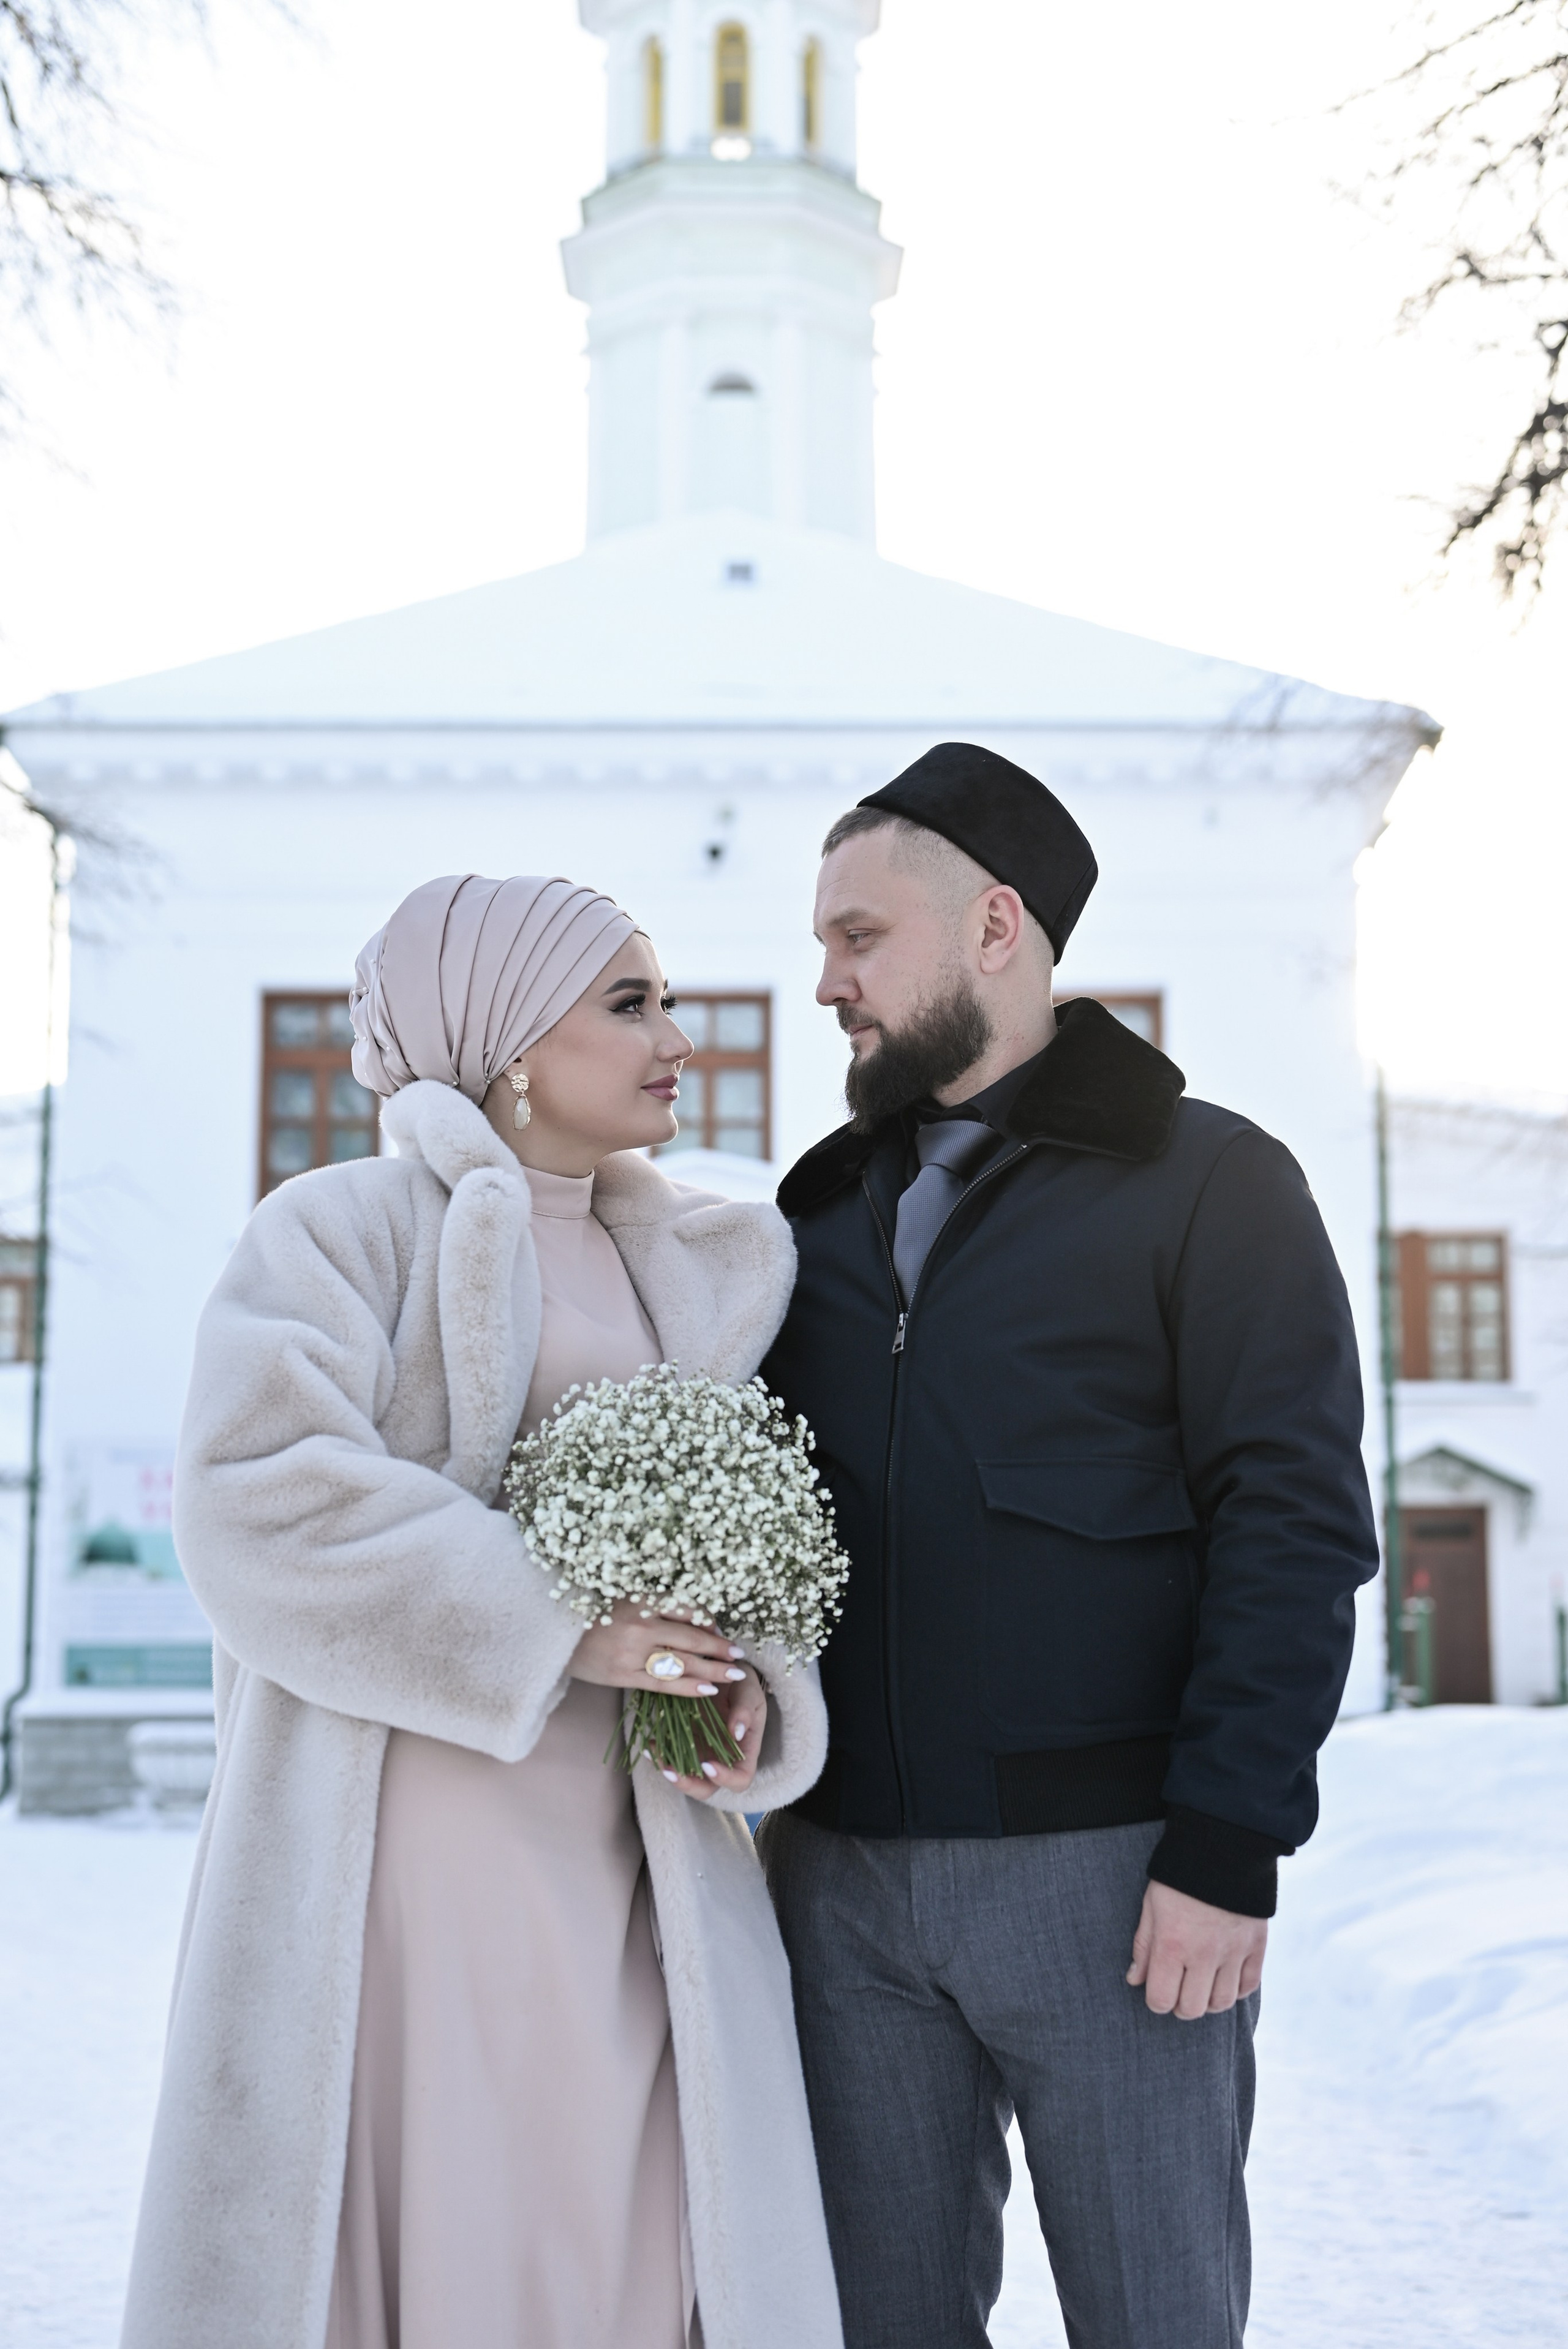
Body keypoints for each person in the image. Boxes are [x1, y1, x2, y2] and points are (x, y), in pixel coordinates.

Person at [121, 874, 843, 2349]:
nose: (678, 1037)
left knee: (637, 2224)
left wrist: (738, 1677)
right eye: (629, 1003)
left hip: (635, 1841)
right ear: (509, 1041)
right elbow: (258, 1497)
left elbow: (718, 1534)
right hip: (410, 1841)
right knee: (458, 2201)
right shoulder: (340, 1229)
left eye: (667, 1000)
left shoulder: (687, 1265)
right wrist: (554, 1620)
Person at [757, 744, 1380, 2349]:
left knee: (1154, 2318)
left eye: (857, 935)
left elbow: (1294, 1524)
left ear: (994, 927)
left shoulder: (1213, 1183)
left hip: (1113, 1884)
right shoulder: (811, 1212)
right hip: (838, 1887)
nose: (824, 982)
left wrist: (1226, 1844)